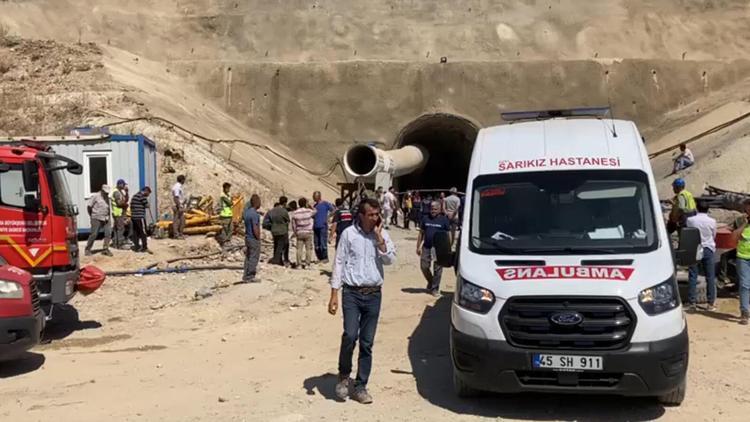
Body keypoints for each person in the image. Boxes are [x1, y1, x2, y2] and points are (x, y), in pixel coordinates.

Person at [328, 198, 396, 404]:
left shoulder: (382, 234)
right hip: (352, 293)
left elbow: (390, 260)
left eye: (378, 214)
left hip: (374, 294)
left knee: (367, 343)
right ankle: (343, 376)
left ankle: (360, 386)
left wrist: (379, 240)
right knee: (350, 335)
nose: (376, 218)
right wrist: (333, 293)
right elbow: (339, 262)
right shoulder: (349, 234)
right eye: (372, 215)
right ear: (361, 215)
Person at [686, 201, 717, 312]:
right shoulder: (712, 221)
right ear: (708, 209)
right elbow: (714, 235)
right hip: (708, 248)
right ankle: (711, 303)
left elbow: (689, 232)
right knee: (710, 276)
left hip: (695, 248)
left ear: (697, 208)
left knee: (693, 275)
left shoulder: (690, 220)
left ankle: (692, 303)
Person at [417, 202, 450, 297]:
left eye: (435, 209)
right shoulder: (425, 218)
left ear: (439, 209)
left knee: (438, 269)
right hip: (426, 246)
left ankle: (435, 289)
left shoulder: (444, 220)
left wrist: (448, 247)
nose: (433, 211)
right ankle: (431, 281)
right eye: (432, 209)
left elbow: (448, 235)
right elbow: (421, 233)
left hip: (439, 248)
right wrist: (418, 246)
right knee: (424, 266)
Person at [732, 199, 750, 325]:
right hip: (743, 257)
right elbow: (734, 237)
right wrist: (744, 224)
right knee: (744, 285)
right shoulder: (740, 220)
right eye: (746, 208)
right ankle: (745, 312)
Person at [85, 185, 113, 257]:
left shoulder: (107, 197)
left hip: (106, 218)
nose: (107, 194)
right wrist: (91, 215)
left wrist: (109, 216)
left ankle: (105, 249)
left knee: (108, 233)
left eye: (108, 193)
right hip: (96, 217)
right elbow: (89, 206)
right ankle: (88, 249)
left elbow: (108, 207)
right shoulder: (95, 196)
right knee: (94, 234)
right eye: (105, 192)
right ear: (102, 190)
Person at [291, 197, 316, 269]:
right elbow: (315, 211)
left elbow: (293, 224)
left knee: (299, 249)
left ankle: (299, 264)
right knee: (308, 249)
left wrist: (295, 232)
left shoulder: (295, 212)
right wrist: (310, 206)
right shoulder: (308, 211)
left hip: (299, 232)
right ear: (305, 203)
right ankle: (307, 264)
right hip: (308, 231)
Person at [242, 194, 262, 283]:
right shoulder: (254, 214)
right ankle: (250, 276)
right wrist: (258, 237)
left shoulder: (247, 213)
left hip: (247, 237)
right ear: (257, 203)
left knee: (248, 257)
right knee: (254, 257)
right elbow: (255, 227)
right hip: (253, 238)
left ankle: (246, 275)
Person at [313, 191, 335, 264]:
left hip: (323, 226)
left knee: (323, 242)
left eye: (314, 196)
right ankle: (319, 258)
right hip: (316, 226)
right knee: (316, 243)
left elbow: (334, 210)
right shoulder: (315, 205)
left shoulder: (325, 203)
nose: (313, 198)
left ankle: (325, 257)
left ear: (319, 196)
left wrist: (328, 217)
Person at [267, 196, 290, 266]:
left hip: (274, 230)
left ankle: (277, 259)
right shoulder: (284, 211)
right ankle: (277, 260)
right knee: (281, 246)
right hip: (282, 231)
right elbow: (288, 220)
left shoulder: (272, 210)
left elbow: (268, 220)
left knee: (276, 245)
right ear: (285, 203)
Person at [130, 186, 153, 254]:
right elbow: (147, 205)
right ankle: (144, 247)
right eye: (148, 193)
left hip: (134, 217)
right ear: (146, 191)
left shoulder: (135, 196)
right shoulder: (142, 197)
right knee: (143, 232)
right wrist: (147, 203)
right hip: (140, 217)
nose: (148, 195)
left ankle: (136, 247)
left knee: (136, 232)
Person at [111, 179, 129, 250]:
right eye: (124, 184)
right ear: (120, 184)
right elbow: (119, 203)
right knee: (120, 228)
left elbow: (126, 199)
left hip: (118, 212)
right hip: (118, 212)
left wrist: (127, 192)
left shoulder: (120, 192)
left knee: (116, 229)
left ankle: (115, 243)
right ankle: (120, 244)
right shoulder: (116, 192)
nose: (125, 186)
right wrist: (125, 205)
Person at [171, 175, 187, 239]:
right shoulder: (177, 187)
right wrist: (179, 206)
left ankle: (181, 234)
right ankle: (176, 235)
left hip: (180, 205)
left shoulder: (179, 186)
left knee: (182, 220)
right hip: (178, 206)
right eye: (184, 180)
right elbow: (176, 197)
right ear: (182, 180)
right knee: (177, 221)